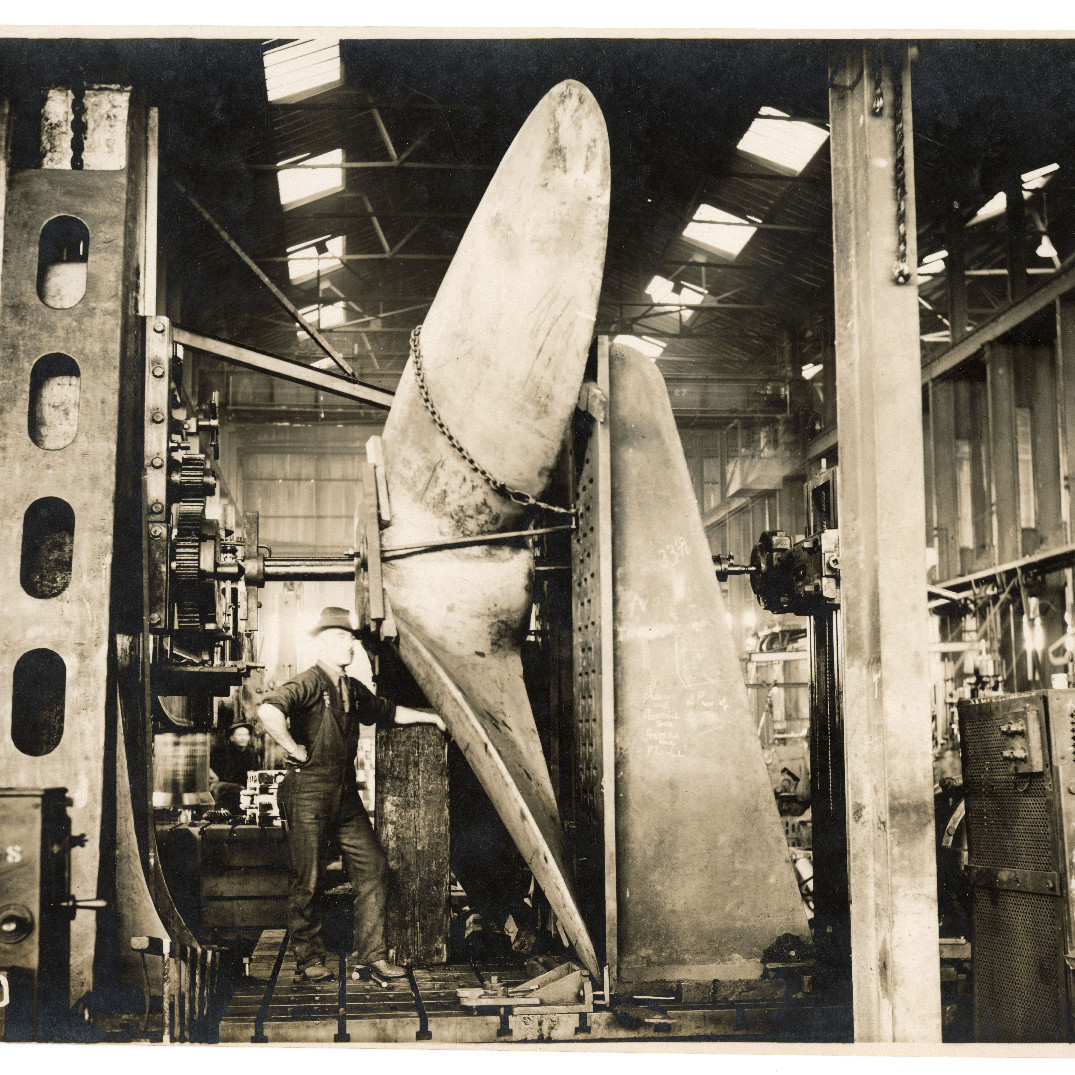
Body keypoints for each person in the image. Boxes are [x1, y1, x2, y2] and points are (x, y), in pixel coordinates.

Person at [257, 606, 446, 984]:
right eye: (343, 638)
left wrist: (434, 717)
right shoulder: (308, 681)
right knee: (308, 880)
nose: (351, 645)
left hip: (344, 796)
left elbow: (389, 712)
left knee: (374, 868)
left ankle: (371, 956)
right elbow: (267, 710)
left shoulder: (352, 689)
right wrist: (294, 750)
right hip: (308, 792)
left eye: (352, 638)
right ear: (323, 642)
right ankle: (309, 959)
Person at [208, 717, 259, 814]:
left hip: (244, 795)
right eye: (239, 735)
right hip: (224, 794)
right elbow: (208, 768)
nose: (243, 738)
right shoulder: (221, 752)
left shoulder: (251, 754)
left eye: (246, 734)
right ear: (232, 738)